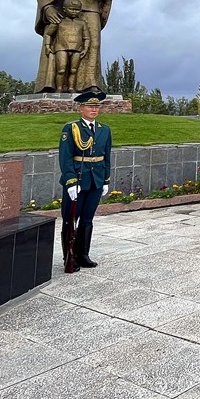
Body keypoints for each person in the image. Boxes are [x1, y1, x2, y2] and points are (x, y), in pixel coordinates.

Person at [58, 88, 112, 271]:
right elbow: (65, 157)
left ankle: (83, 255)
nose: (94, 110)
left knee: (87, 219)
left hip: (96, 180)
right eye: (90, 106)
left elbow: (107, 156)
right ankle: (69, 257)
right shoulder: (71, 128)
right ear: (81, 108)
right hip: (78, 181)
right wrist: (70, 181)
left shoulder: (105, 130)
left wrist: (105, 180)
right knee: (70, 219)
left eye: (96, 106)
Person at [42, 0, 90, 94]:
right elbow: (48, 34)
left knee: (73, 70)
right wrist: (47, 46)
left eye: (77, 10)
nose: (74, 12)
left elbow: (87, 37)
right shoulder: (59, 21)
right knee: (61, 70)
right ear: (64, 9)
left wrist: (85, 48)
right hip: (61, 48)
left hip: (77, 49)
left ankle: (71, 88)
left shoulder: (82, 23)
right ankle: (59, 88)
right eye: (71, 9)